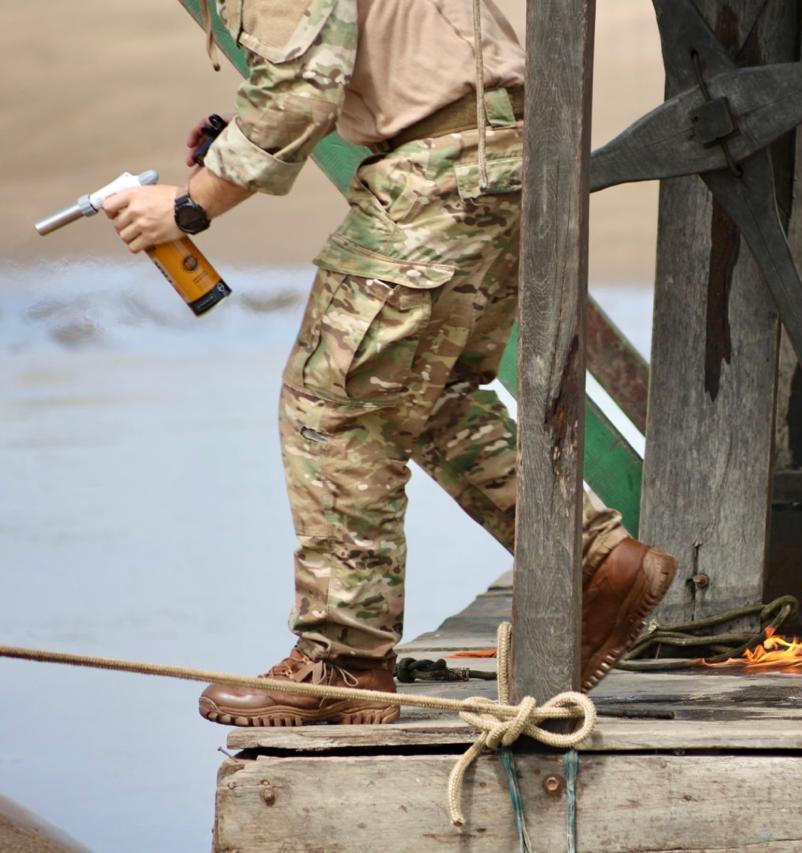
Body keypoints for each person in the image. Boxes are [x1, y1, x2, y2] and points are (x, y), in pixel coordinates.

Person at [103, 0, 676, 726]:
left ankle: (342, 657)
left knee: (332, 403)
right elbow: (354, 51)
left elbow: (301, 90)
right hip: (501, 145)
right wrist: (232, 148)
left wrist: (189, 205)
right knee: (434, 399)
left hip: (441, 162)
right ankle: (598, 563)